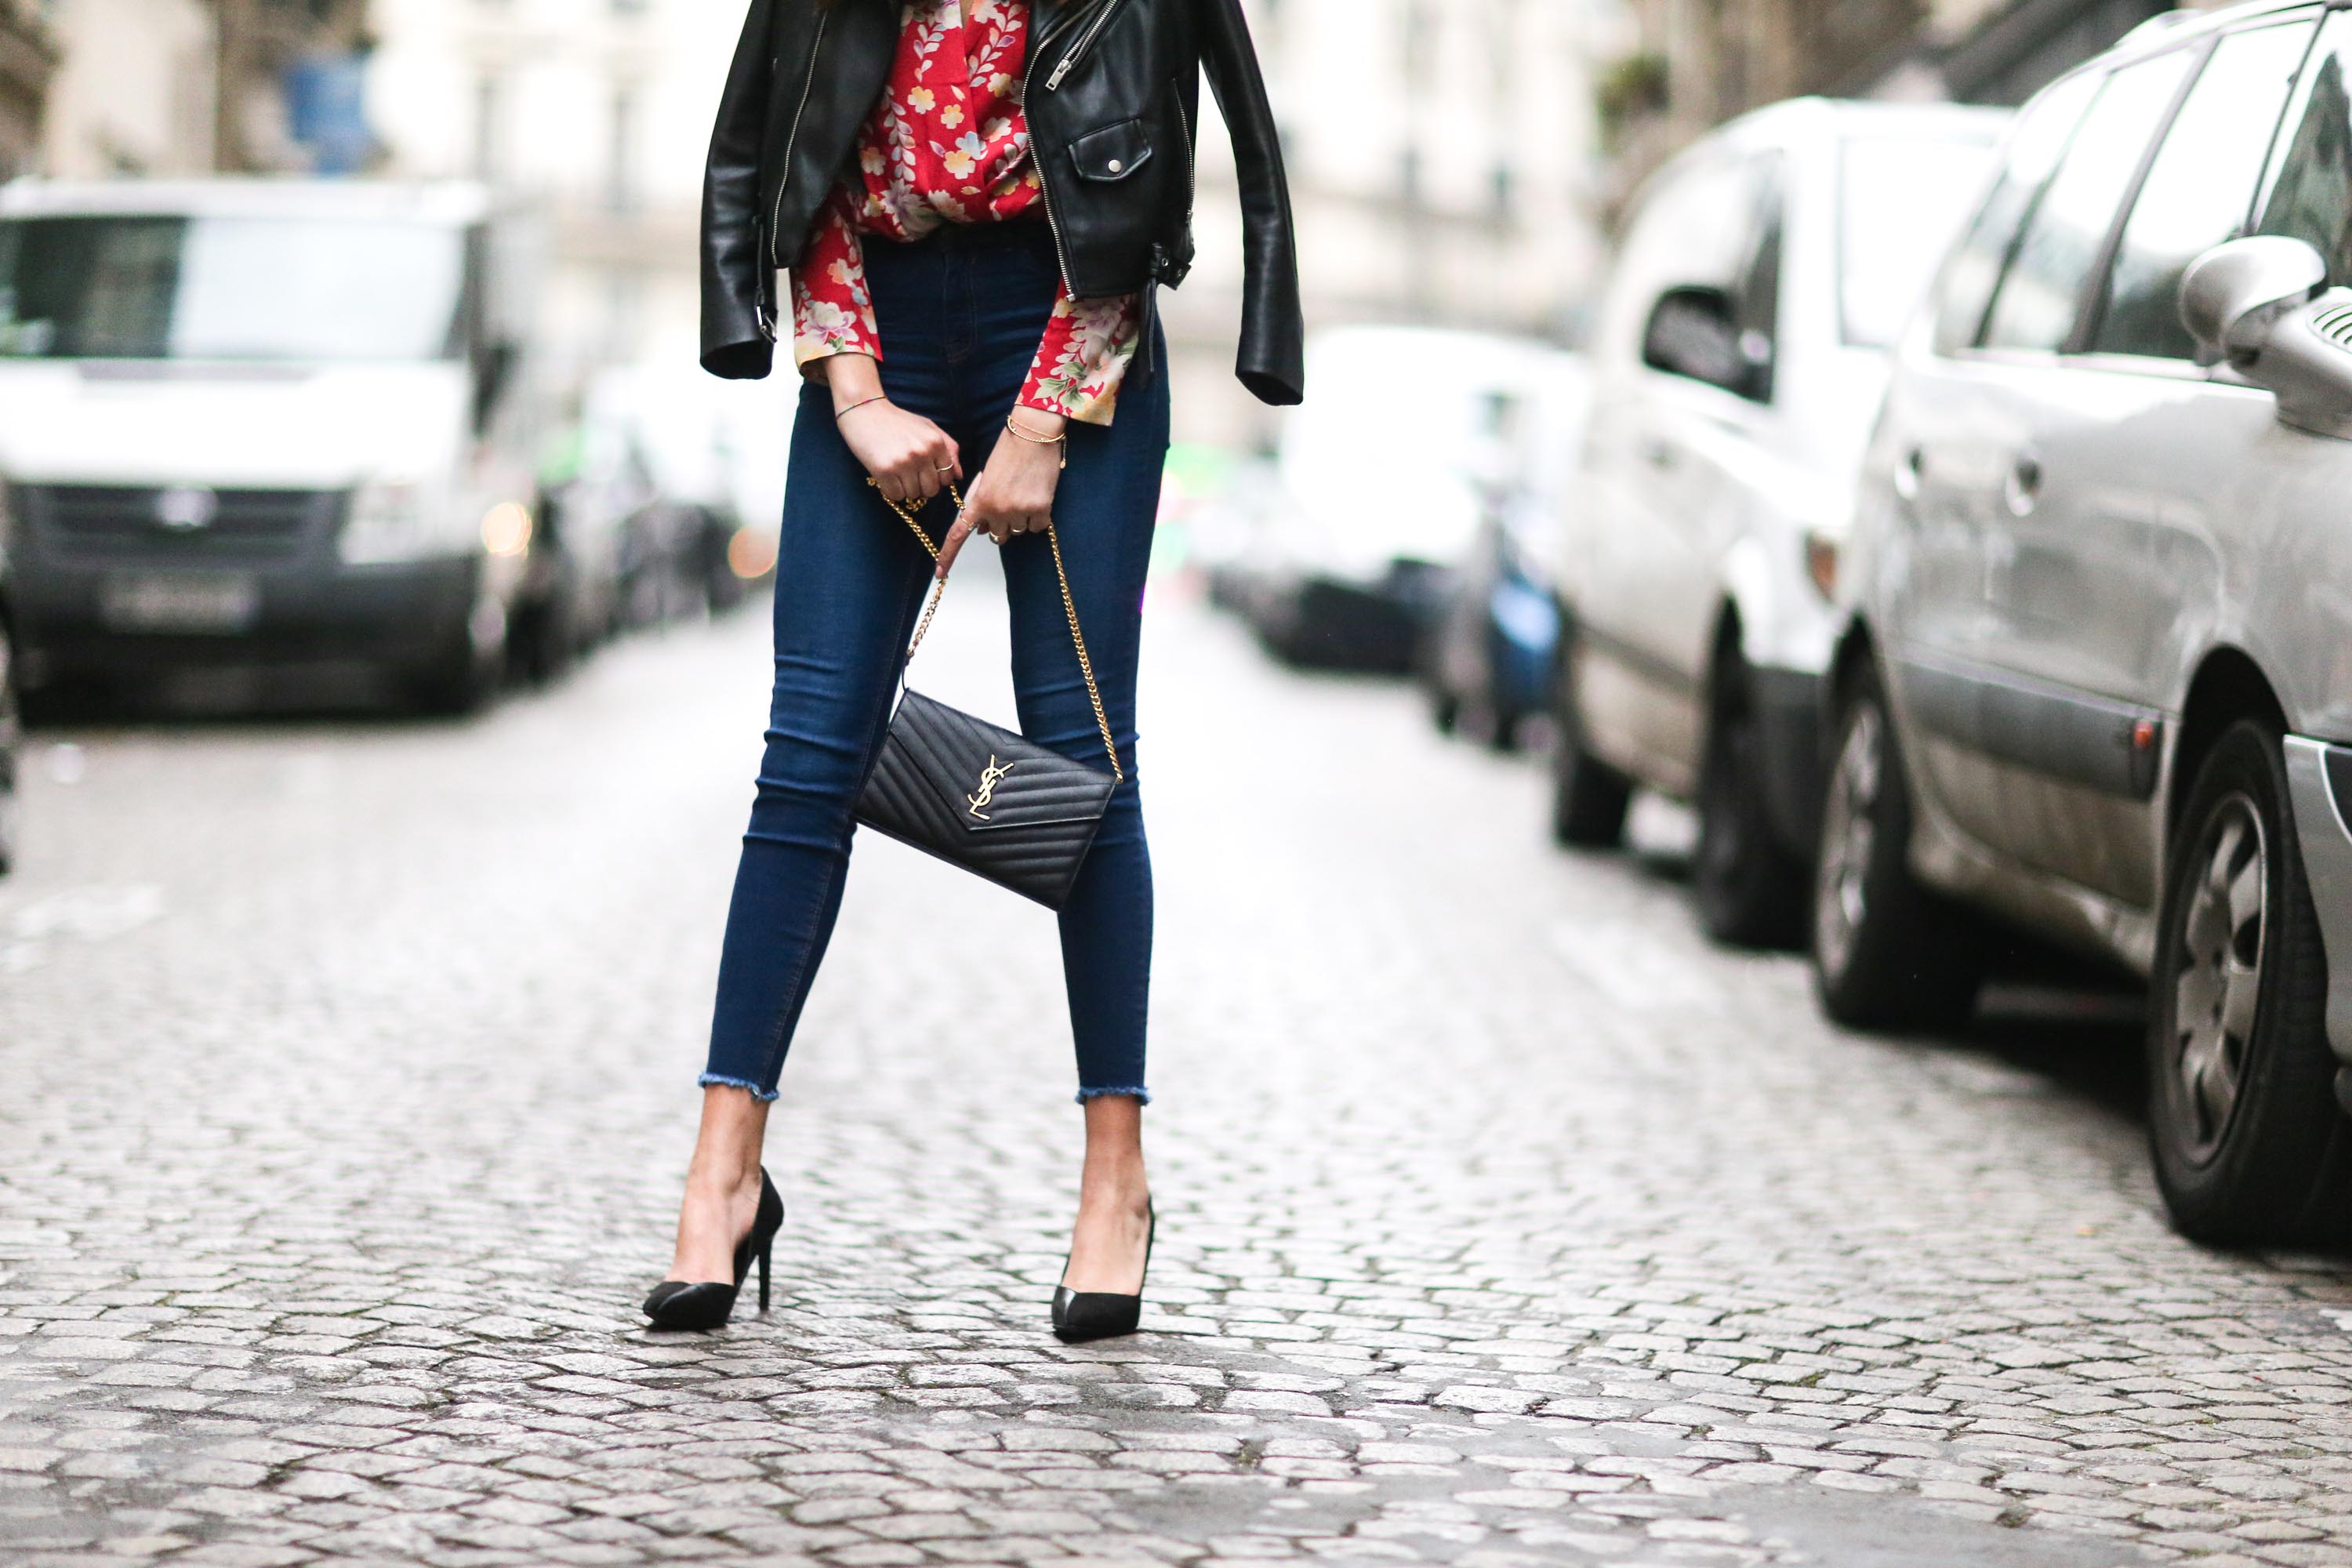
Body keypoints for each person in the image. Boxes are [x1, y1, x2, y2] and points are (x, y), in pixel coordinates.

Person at [643, 0, 1303, 1340]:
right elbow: (797, 141)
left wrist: (1049, 415)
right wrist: (853, 392)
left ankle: (1116, 1181)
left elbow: (1139, 178)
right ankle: (721, 1178)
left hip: (1060, 321)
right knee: (809, 756)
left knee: (1083, 759)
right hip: (873, 320)